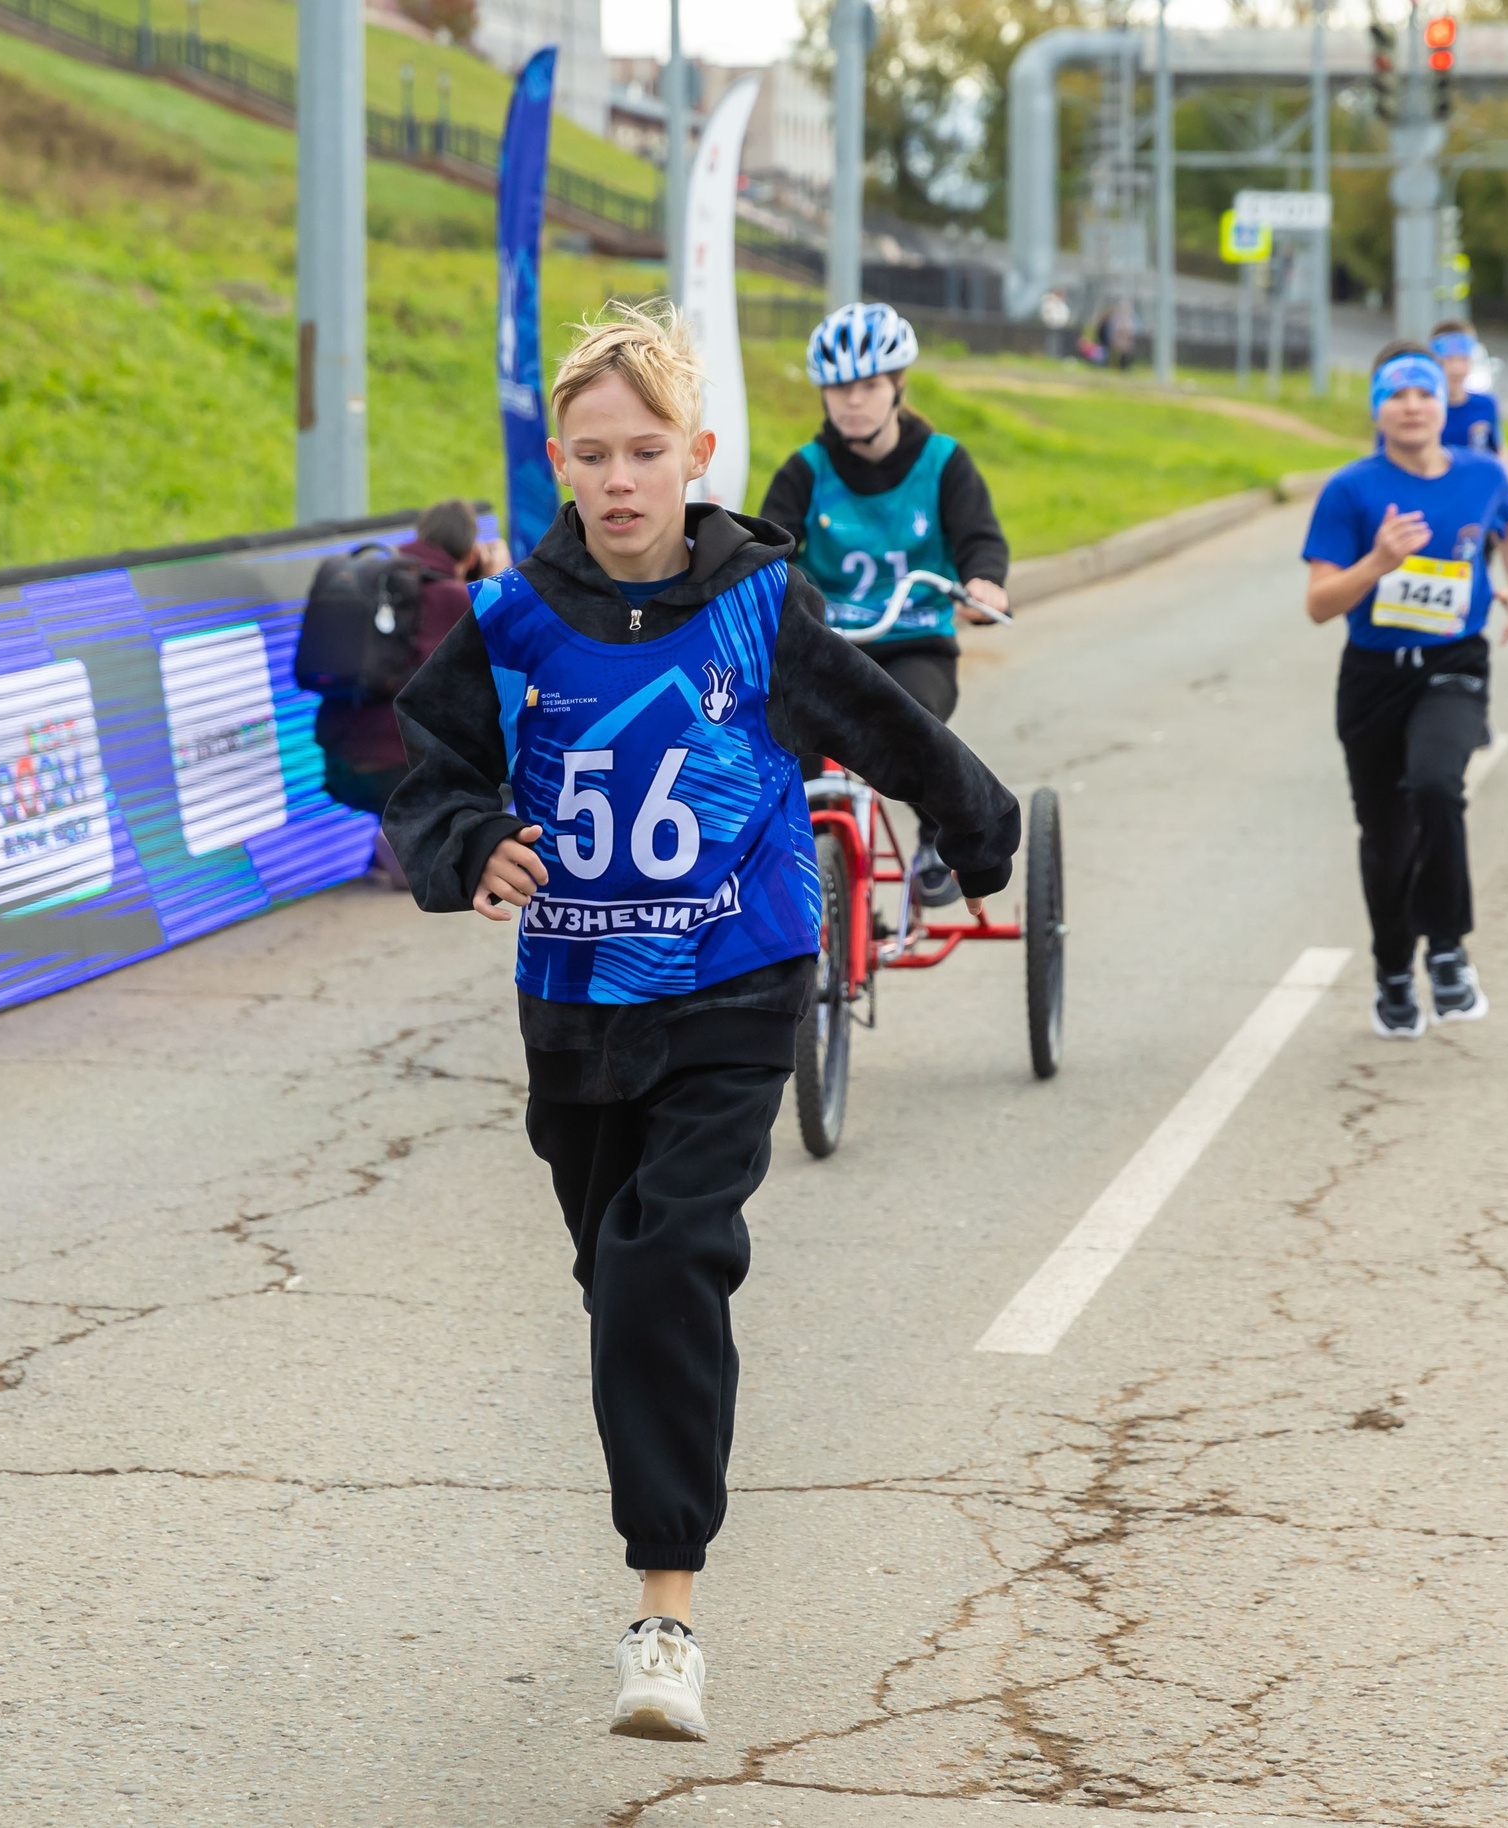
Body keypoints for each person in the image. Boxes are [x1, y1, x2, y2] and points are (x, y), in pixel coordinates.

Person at [383, 302, 1019, 1744]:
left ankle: (663, 1615)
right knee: (622, 1286)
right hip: (580, 1009)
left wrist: (973, 827)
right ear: (558, 460)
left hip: (738, 978)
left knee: (668, 1256)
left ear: (696, 455)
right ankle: (666, 1509)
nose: (619, 479)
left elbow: (888, 723)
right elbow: (427, 766)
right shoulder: (512, 622)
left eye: (646, 451)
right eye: (593, 454)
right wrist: (469, 838)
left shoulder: (756, 603)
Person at [1302, 342, 1508, 1040]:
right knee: (1387, 837)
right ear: (1378, 408)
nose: (1411, 406)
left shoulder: (1482, 474)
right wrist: (1378, 561)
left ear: (1443, 403)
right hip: (1373, 675)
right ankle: (1394, 970)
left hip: (1453, 664)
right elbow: (1318, 604)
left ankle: (1451, 954)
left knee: (1436, 785)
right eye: (1396, 394)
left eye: (1423, 393)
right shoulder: (1351, 490)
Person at [758, 302, 1012, 906]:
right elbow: (768, 548)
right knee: (791, 731)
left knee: (912, 717)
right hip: (828, 649)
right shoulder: (805, 471)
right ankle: (800, 852)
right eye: (839, 387)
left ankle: (937, 840)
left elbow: (979, 536)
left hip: (915, 642)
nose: (853, 400)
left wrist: (984, 581)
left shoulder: (943, 462)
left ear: (897, 385)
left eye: (869, 385)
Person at [313, 499, 504, 884]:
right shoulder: (454, 597)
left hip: (338, 765)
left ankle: (389, 848)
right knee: (502, 756)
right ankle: (409, 840)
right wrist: (496, 581)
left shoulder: (380, 580)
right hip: (401, 774)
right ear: (470, 553)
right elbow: (507, 661)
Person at [1431, 320, 1508, 480]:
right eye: (1448, 360)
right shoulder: (1423, 410)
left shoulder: (1486, 405)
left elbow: (1499, 451)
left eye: (1462, 359)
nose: (1456, 368)